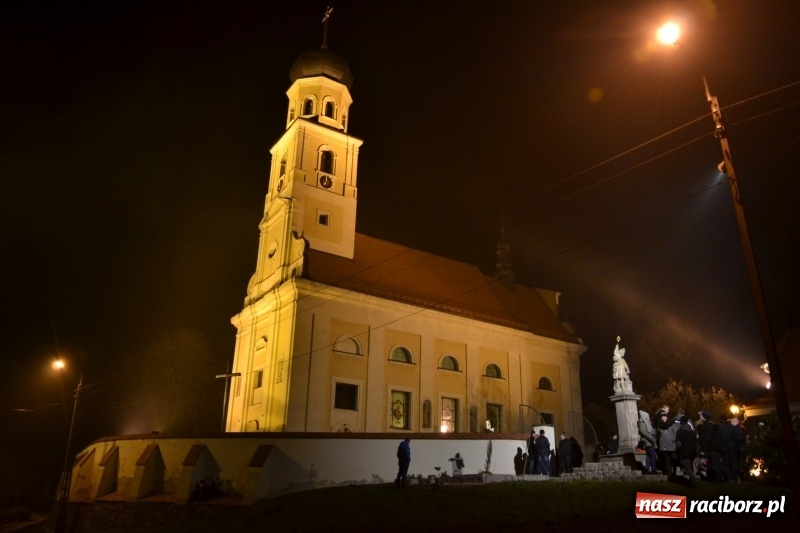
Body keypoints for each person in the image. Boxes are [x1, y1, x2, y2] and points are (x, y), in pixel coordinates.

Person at [698, 411, 722, 482]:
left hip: (711, 448)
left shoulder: (708, 426)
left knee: (714, 464)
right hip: (712, 447)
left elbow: (707, 438)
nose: (700, 417)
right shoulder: (710, 425)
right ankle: (713, 478)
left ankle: (718, 478)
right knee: (712, 464)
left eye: (701, 416)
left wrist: (704, 449)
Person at [675, 415, 698, 483]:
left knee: (687, 466)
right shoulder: (692, 432)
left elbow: (678, 443)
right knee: (690, 465)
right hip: (693, 451)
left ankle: (693, 480)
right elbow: (696, 442)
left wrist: (678, 450)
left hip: (684, 451)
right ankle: (692, 478)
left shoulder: (680, 431)